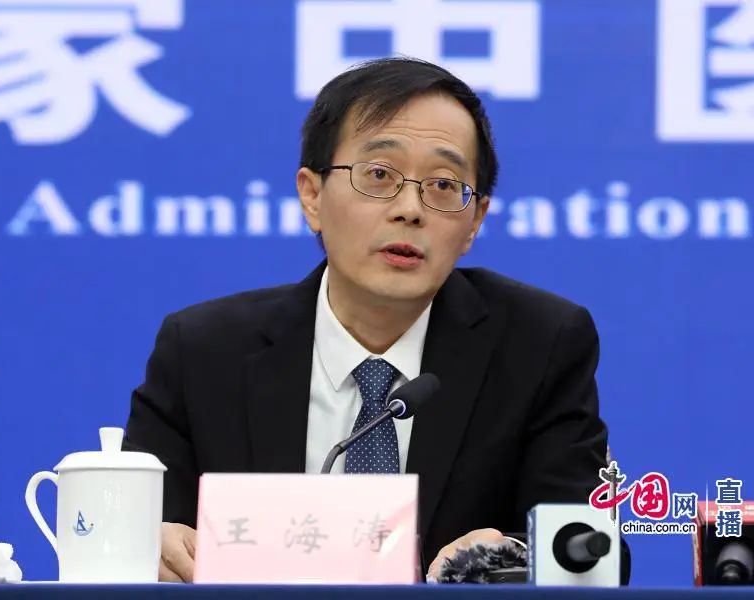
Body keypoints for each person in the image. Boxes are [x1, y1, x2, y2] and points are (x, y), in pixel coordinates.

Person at [124, 57, 611, 583]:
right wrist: (146, 544)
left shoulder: (539, 345)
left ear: (475, 221)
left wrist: (507, 560)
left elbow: (594, 552)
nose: (410, 209)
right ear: (312, 195)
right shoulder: (203, 353)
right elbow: (130, 538)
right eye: (379, 175)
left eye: (443, 185)